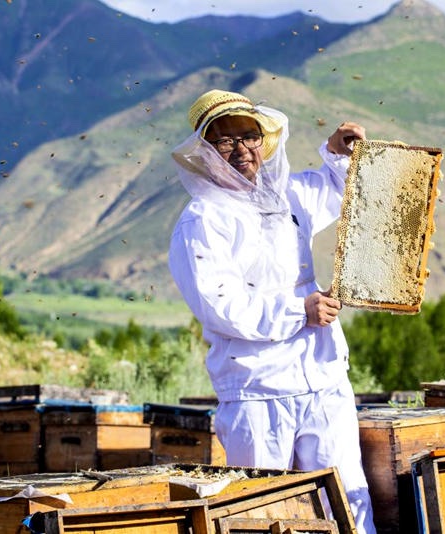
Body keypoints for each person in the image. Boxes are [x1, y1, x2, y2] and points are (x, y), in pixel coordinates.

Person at [168, 88, 376, 533]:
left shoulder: (287, 195)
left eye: (249, 136)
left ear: (265, 140)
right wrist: (297, 311)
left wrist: (338, 153)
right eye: (225, 141)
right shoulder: (204, 219)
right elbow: (218, 304)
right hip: (256, 389)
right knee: (262, 516)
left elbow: (336, 193)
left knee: (347, 504)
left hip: (322, 377)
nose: (241, 149)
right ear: (206, 151)